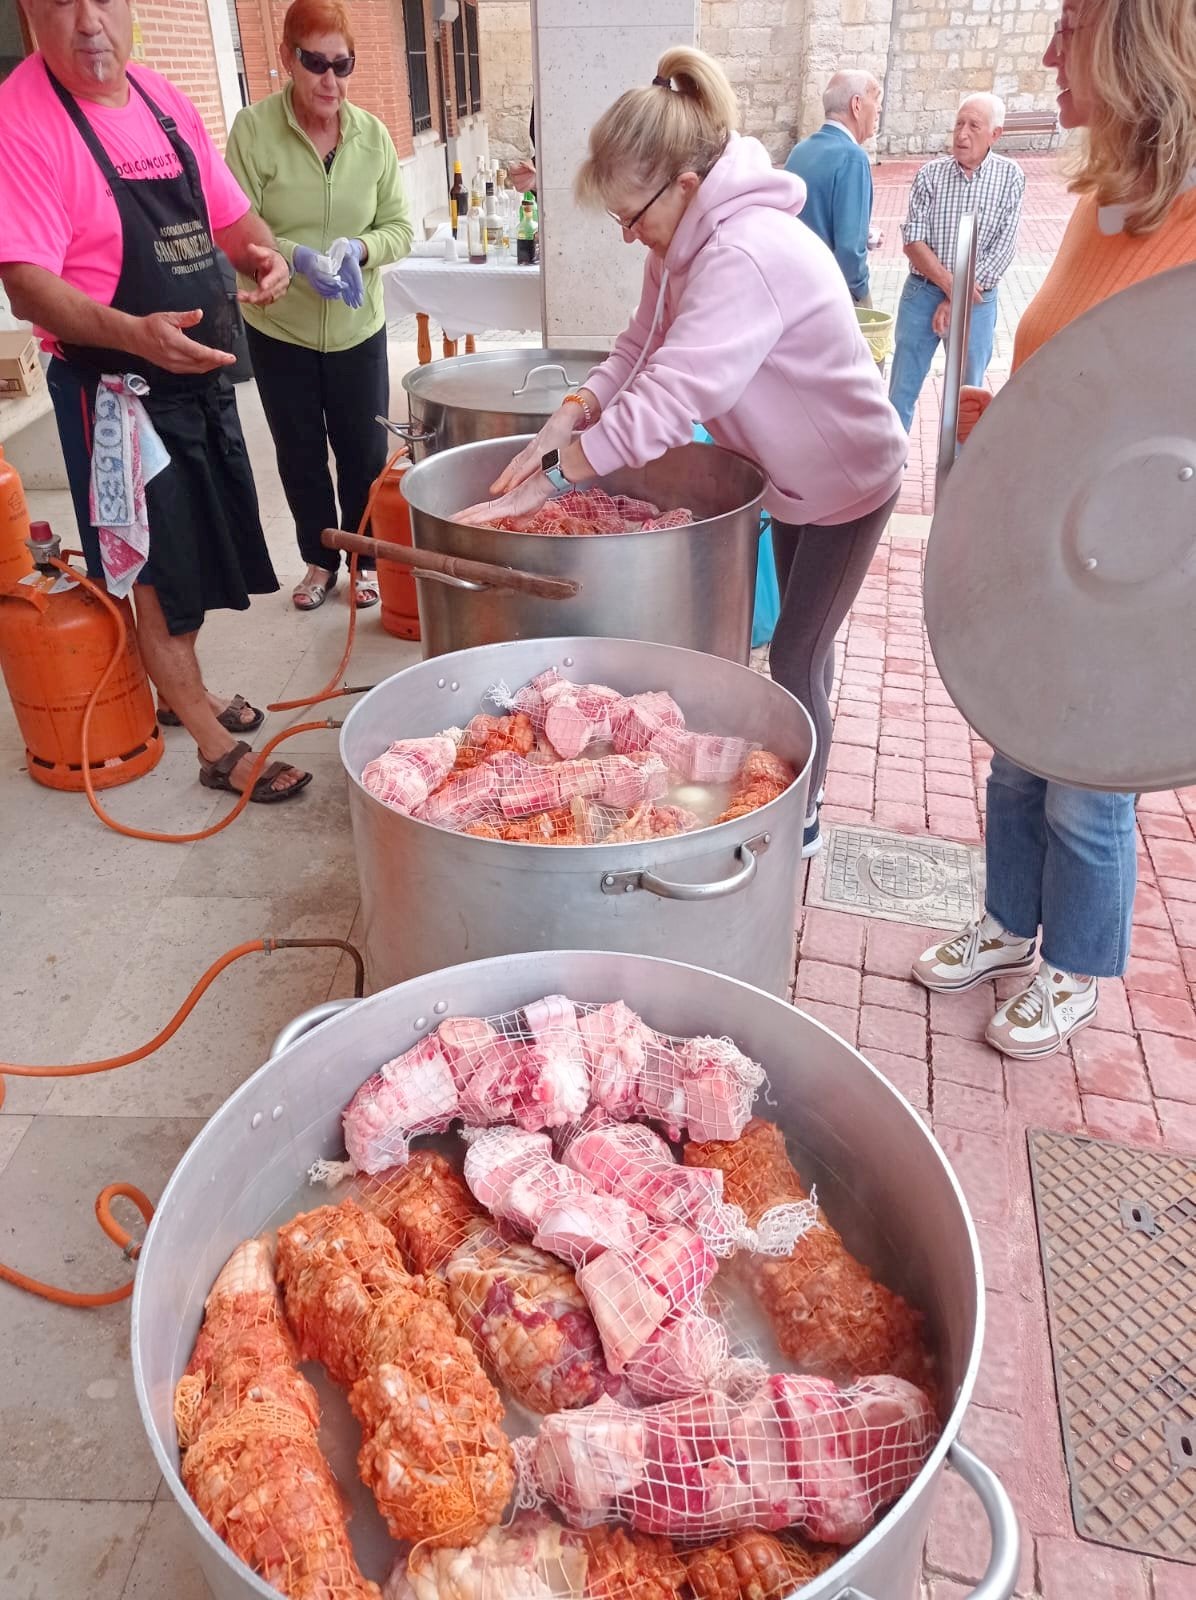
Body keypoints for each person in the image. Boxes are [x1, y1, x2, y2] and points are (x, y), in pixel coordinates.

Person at [459, 48, 908, 859]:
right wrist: (568, 414)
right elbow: (638, 347)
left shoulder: (744, 255)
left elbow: (672, 400)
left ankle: (796, 824)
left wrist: (556, 484)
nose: (631, 237)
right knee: (810, 642)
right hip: (792, 477)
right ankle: (802, 783)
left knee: (798, 653)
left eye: (635, 216)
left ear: (687, 186)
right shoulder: (683, 245)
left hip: (847, 477)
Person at [913, 0, 1196, 1058]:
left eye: (1068, 26)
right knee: (1018, 753)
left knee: (1089, 782)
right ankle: (1005, 922)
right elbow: (1088, 377)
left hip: (1145, 571)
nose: (1045, 51)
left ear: (1132, 47)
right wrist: (1010, 427)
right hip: (1058, 540)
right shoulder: (1103, 198)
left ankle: (1073, 967)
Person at [0, 0, 310, 802]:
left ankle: (188, 692)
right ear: (33, 11)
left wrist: (265, 256)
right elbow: (27, 283)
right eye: (62, 1)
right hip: (114, 390)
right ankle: (211, 744)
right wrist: (135, 335)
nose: (89, 21)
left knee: (198, 550)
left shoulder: (160, 97)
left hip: (196, 379)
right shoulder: (21, 117)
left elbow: (233, 219)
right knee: (153, 561)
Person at [226, 0, 412, 613]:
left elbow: (400, 228)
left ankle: (362, 558)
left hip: (359, 327)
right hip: (281, 329)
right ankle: (318, 560)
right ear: (287, 58)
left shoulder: (374, 136)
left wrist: (358, 249)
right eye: (315, 63)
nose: (330, 80)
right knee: (300, 450)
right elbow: (232, 226)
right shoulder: (254, 132)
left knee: (361, 450)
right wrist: (295, 255)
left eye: (343, 64)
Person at [887, 94, 1025, 431]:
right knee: (901, 388)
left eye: (973, 126)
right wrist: (951, 287)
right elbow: (913, 240)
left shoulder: (1010, 177)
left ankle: (960, 473)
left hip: (978, 300)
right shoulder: (931, 174)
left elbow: (1002, 249)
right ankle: (887, 467)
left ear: (995, 134)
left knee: (967, 393)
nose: (961, 134)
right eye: (958, 124)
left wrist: (957, 298)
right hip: (923, 292)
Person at [785, 70, 882, 306]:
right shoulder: (853, 158)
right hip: (830, 293)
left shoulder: (801, 151)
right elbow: (849, 250)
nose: (879, 109)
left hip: (795, 286)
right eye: (876, 99)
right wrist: (861, 295)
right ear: (856, 105)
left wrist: (863, 231)